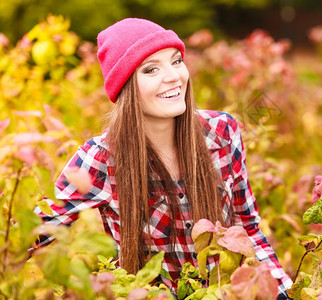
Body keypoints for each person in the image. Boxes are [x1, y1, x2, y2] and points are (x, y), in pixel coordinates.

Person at [33, 18, 293, 298]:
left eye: (176, 61)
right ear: (125, 87)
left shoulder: (222, 133)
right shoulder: (101, 158)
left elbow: (247, 227)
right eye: (151, 69)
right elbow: (37, 235)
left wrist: (282, 292)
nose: (173, 76)